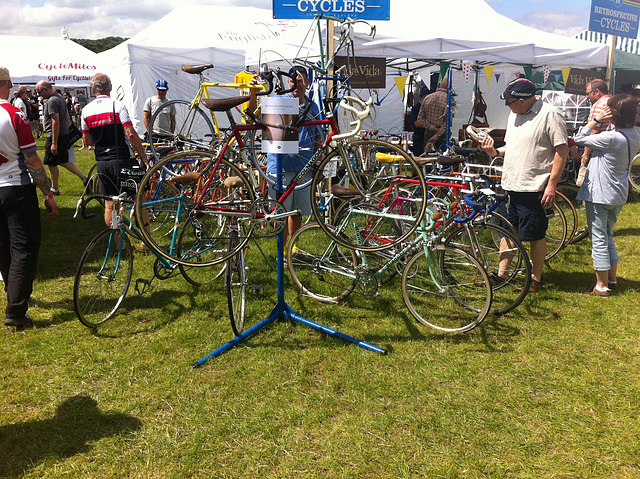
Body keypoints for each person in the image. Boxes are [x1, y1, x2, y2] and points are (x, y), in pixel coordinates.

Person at [481, 78, 568, 292]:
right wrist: (494, 152)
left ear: (523, 100)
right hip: (510, 184)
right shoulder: (515, 114)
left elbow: (562, 151)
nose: (507, 106)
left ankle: (535, 280)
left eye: (509, 101)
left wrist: (551, 185)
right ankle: (502, 275)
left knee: (535, 235)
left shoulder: (550, 114)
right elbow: (510, 146)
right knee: (506, 232)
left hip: (534, 186)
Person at [0, 66, 58, 329]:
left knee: (3, 245)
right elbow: (32, 158)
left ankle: (13, 293)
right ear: (8, 84)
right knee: (23, 247)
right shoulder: (15, 115)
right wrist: (48, 192)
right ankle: (15, 309)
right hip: (16, 187)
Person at [573, 94, 640, 296]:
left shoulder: (611, 138)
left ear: (613, 115)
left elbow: (578, 138)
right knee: (608, 235)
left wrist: (596, 120)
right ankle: (611, 279)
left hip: (600, 195)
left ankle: (601, 286)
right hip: (618, 193)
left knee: (599, 239)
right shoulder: (635, 133)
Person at [262, 66, 322, 244]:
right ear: (287, 83)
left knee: (297, 212)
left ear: (307, 83)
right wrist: (253, 93)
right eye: (292, 81)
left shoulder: (313, 105)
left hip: (304, 168)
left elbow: (318, 135)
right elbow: (260, 118)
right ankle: (281, 253)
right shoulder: (279, 101)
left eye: (301, 80)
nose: (297, 84)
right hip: (281, 167)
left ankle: (292, 250)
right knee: (280, 213)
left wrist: (318, 163)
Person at [81, 73, 149, 229]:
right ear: (110, 87)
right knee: (140, 200)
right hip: (123, 159)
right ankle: (147, 243)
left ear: (93, 89)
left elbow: (88, 141)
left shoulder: (86, 111)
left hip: (103, 163)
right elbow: (130, 133)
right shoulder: (118, 106)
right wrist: (143, 157)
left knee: (110, 205)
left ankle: (119, 245)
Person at [35, 80, 88, 195]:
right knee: (63, 160)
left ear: (45, 89)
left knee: (51, 162)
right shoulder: (59, 97)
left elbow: (55, 122)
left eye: (39, 92)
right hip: (63, 133)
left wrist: (54, 143)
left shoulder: (52, 101)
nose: (39, 95)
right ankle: (85, 179)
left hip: (55, 135)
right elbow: (67, 117)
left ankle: (55, 188)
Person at [416, 76, 450, 152]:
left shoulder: (427, 98)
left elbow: (420, 119)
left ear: (439, 85)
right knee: (443, 159)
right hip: (443, 134)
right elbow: (447, 123)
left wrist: (432, 128)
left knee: (428, 158)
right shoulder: (449, 100)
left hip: (429, 133)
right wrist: (437, 134)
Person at [411, 87, 428, 156]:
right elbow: (417, 124)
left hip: (427, 137)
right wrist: (431, 125)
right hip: (419, 138)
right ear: (423, 96)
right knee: (419, 158)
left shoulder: (429, 107)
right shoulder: (416, 108)